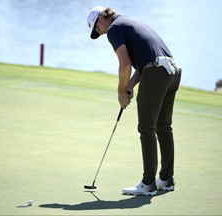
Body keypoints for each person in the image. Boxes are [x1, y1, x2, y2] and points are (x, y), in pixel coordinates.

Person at [87, 6, 181, 196]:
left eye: (97, 28)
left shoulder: (114, 28)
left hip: (156, 73)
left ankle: (148, 184)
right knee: (163, 126)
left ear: (102, 17)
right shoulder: (129, 21)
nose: (101, 32)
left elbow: (125, 64)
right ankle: (166, 179)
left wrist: (120, 91)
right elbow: (144, 61)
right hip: (172, 71)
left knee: (147, 128)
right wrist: (130, 85)